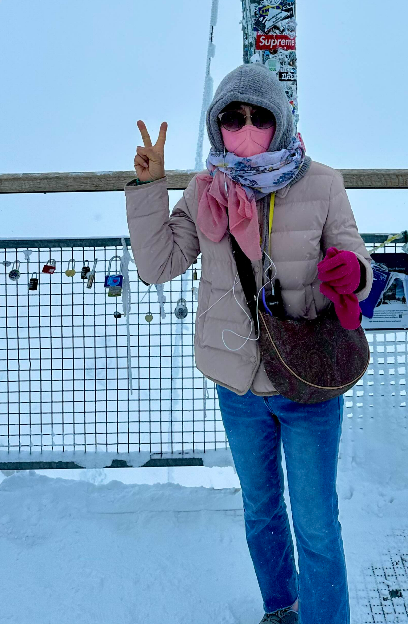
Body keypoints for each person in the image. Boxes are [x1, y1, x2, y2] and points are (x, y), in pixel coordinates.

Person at [125, 64, 373, 624]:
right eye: (232, 117)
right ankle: (280, 607)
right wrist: (148, 188)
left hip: (308, 382)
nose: (246, 126)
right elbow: (158, 264)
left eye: (259, 116)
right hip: (238, 385)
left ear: (280, 120)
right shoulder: (202, 191)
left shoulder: (322, 184)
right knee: (261, 510)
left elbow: (359, 263)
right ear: (217, 126)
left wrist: (348, 273)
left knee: (315, 521)